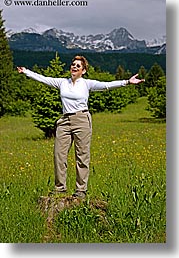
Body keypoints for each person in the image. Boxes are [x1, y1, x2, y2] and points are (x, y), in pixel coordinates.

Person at [17, 55, 144, 199]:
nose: (74, 67)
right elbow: (43, 79)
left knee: (82, 156)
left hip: (81, 120)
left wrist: (127, 82)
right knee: (59, 154)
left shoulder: (87, 83)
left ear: (83, 71)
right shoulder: (62, 82)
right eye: (73, 64)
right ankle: (60, 188)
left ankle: (81, 190)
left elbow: (106, 85)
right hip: (64, 121)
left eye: (78, 65)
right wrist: (26, 71)